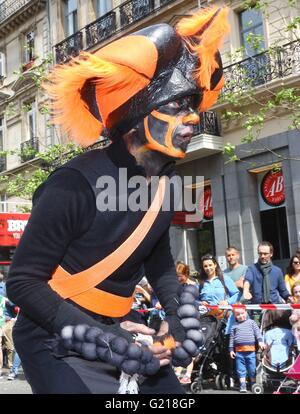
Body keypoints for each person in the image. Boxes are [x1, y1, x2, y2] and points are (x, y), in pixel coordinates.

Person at [6, 7, 230, 394]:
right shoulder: (73, 185)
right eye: (178, 105)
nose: (192, 118)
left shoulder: (165, 180)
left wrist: (177, 318)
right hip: (54, 340)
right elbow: (24, 283)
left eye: (193, 105)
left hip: (120, 329)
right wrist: (102, 337)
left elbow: (157, 258)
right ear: (136, 113)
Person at [229, 307, 266, 393]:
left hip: (251, 351)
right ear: (234, 315)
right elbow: (231, 339)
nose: (240, 316)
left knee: (252, 368)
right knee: (240, 368)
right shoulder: (234, 326)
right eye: (238, 314)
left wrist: (260, 341)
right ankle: (243, 385)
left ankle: (253, 383)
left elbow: (258, 333)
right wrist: (231, 350)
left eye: (242, 313)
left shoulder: (251, 323)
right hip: (239, 352)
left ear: (246, 312)